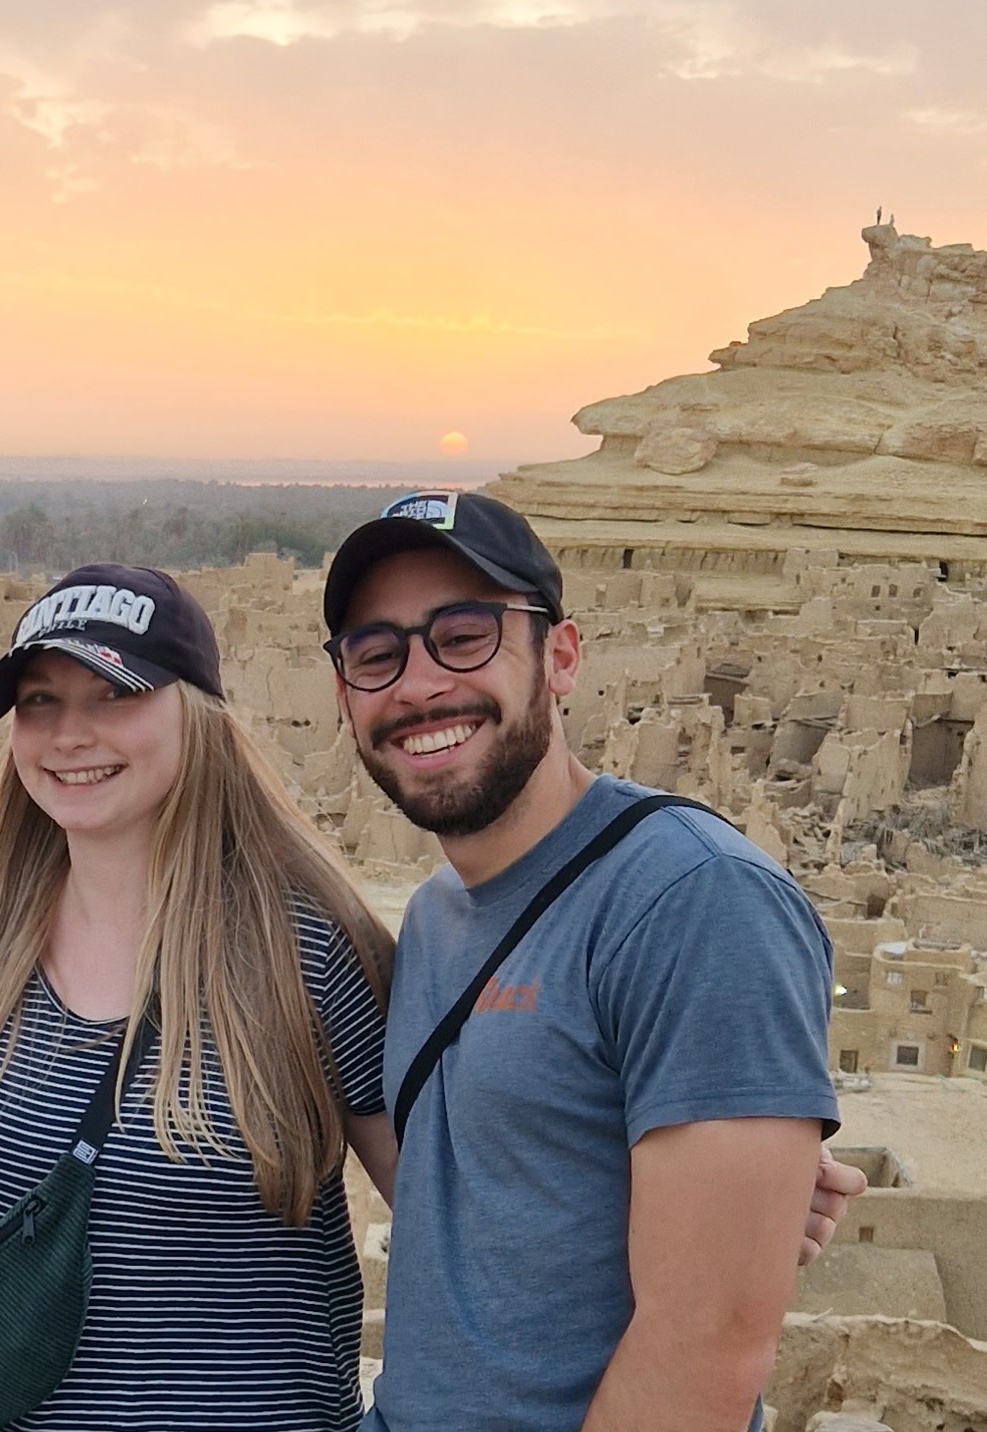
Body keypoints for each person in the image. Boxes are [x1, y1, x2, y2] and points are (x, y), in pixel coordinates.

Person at [328, 490, 846, 1432]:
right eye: (378, 654)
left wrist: (742, 1212)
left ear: (560, 656)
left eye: (465, 635)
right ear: (346, 696)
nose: (419, 685)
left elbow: (706, 1346)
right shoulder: (441, 917)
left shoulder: (693, 900)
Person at [0, 565, 400, 1431]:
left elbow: (436, 1208)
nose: (69, 734)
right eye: (40, 701)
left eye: (112, 697)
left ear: (195, 713)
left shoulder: (301, 951)